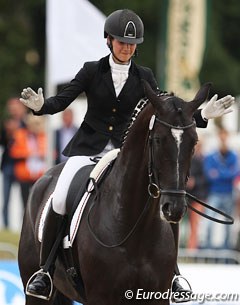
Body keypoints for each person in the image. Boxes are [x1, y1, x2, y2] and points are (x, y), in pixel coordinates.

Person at [19, 9, 235, 300]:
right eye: (122, 41)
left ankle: (173, 274)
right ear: (108, 40)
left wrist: (201, 115)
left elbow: (166, 112)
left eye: (132, 43)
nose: (127, 47)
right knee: (59, 195)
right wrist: (42, 106)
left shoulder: (143, 76)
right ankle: (45, 271)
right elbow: (63, 99)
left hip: (126, 151)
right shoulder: (91, 70)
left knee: (161, 200)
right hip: (88, 149)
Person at [202, 127, 239, 249]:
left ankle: (227, 252)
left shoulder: (233, 155)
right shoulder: (211, 156)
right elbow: (209, 175)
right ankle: (207, 251)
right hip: (215, 193)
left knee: (229, 225)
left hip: (228, 193)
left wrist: (219, 173)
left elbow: (235, 173)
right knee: (208, 223)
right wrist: (226, 173)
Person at [9, 113, 47, 207]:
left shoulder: (44, 136)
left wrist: (41, 153)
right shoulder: (20, 134)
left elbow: (51, 153)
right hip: (24, 175)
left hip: (40, 175)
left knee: (39, 203)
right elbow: (14, 152)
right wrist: (28, 154)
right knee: (25, 204)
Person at [0, 97, 27, 228]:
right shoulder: (6, 124)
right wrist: (8, 133)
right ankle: (5, 225)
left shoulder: (26, 123)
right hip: (8, 165)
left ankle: (25, 225)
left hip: (21, 165)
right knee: (6, 199)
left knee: (24, 197)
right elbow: (4, 144)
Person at [186, 140, 208, 249]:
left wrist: (194, 182)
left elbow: (207, 178)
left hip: (197, 197)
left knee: (195, 225)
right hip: (185, 197)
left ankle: (192, 250)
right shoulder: (187, 159)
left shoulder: (203, 160)